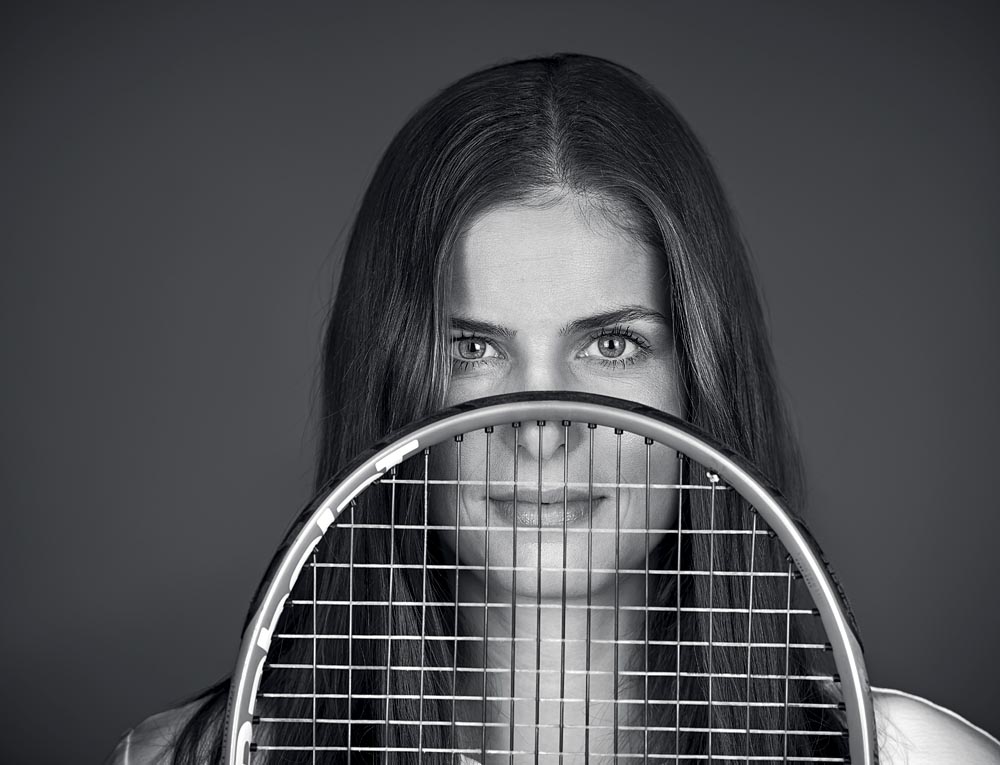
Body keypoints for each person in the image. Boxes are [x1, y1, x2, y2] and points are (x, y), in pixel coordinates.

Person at [107, 54, 999, 764]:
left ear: (701, 381)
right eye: (472, 350)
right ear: (389, 389)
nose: (540, 431)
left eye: (610, 346)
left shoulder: (914, 757)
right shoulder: (187, 756)